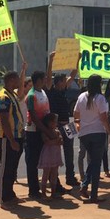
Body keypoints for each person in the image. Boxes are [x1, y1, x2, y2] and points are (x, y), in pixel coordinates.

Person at [73, 74, 110, 203]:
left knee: (93, 162)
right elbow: (103, 118)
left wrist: (79, 124)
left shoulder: (81, 96)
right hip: (98, 133)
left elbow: (75, 113)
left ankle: (85, 185)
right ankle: (93, 194)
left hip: (84, 134)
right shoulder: (100, 98)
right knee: (96, 164)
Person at [45, 53, 80, 187]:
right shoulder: (50, 90)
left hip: (68, 124)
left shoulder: (64, 90)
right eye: (64, 81)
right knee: (55, 154)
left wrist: (77, 59)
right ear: (58, 82)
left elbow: (73, 74)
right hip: (57, 126)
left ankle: (70, 177)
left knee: (69, 152)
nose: (67, 82)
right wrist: (51, 61)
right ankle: (55, 181)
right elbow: (49, 77)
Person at [0, 69, 25, 208]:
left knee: (12, 168)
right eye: (18, 79)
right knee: (5, 168)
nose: (19, 81)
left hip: (17, 137)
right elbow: (5, 121)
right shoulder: (3, 97)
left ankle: (10, 195)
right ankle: (3, 199)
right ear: (12, 80)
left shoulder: (11, 95)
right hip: (7, 137)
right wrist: (12, 140)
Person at [24, 66, 54, 199]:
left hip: (44, 130)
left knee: (47, 160)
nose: (46, 81)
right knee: (33, 162)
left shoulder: (42, 91)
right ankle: (33, 190)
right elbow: (34, 116)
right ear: (38, 80)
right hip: (34, 132)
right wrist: (46, 130)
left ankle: (51, 186)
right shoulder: (31, 95)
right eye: (44, 79)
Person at [38, 113, 64, 199]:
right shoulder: (45, 132)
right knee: (46, 173)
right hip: (48, 155)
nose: (56, 123)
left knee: (54, 174)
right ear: (49, 123)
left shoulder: (57, 131)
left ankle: (53, 192)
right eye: (54, 122)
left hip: (55, 155)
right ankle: (43, 193)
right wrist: (56, 141)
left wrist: (56, 140)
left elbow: (61, 141)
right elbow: (47, 142)